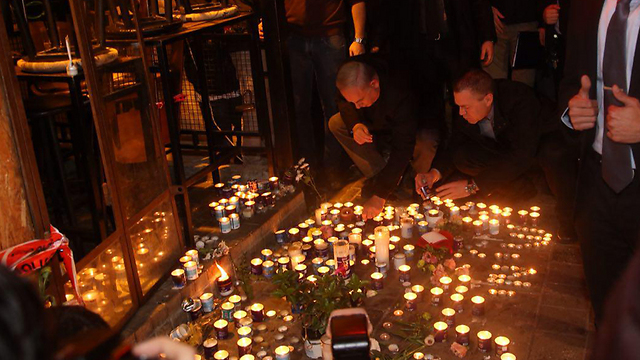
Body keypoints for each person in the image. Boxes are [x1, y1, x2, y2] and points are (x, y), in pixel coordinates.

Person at [417, 70, 576, 236]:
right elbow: (453, 145)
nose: (461, 113)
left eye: (465, 107)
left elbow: (522, 155)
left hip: (538, 147)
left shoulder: (519, 100)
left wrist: (471, 186)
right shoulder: (466, 108)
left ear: (488, 99)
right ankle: (519, 189)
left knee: (554, 154)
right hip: (504, 149)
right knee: (463, 156)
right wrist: (433, 173)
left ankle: (568, 222)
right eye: (458, 107)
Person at [559, 0, 640, 323]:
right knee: (608, 314)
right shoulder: (585, 5)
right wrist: (573, 111)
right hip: (597, 180)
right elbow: (570, 78)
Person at [329, 55, 440, 219]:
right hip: (374, 118)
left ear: (374, 84)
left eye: (359, 100)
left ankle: (412, 186)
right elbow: (343, 102)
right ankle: (383, 178)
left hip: (415, 123)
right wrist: (355, 125)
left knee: (425, 142)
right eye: (353, 102)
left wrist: (379, 196)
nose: (356, 106)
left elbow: (403, 146)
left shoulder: (401, 91)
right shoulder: (350, 72)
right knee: (336, 123)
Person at [283, 0, 367, 181]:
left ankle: (333, 169)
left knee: (333, 105)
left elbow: (357, 2)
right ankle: (308, 168)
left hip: (329, 35)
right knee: (299, 107)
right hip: (295, 35)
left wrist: (359, 38)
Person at [484, 0, 539, 87]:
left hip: (527, 19)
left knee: (524, 85)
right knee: (492, 83)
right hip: (495, 23)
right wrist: (486, 9)